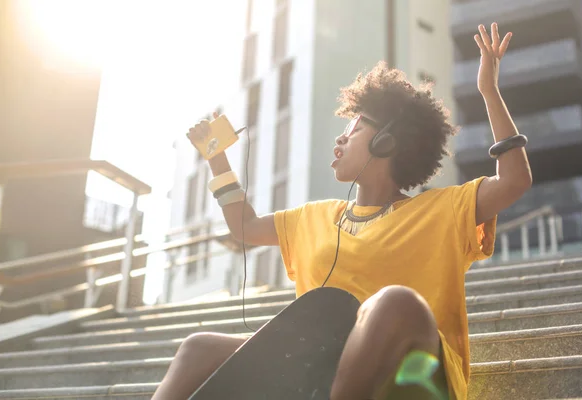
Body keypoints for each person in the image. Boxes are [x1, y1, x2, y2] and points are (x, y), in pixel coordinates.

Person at [152, 22, 531, 400]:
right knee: (198, 347)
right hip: (320, 372)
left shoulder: (442, 209)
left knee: (392, 303)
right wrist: (218, 160)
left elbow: (514, 180)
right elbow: (244, 226)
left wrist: (488, 90)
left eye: (354, 130)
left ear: (386, 142)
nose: (341, 137)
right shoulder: (313, 218)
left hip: (411, 376)